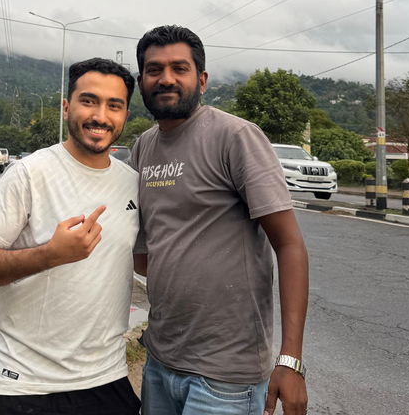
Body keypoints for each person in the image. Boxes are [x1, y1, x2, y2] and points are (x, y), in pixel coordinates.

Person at [130, 25, 309, 415]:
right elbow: (146, 251)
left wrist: (290, 361)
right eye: (154, 69)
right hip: (160, 361)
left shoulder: (235, 137)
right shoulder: (143, 148)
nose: (166, 79)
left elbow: (289, 245)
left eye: (180, 68)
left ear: (203, 79)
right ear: (141, 81)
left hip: (226, 377)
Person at [0, 58, 141, 415]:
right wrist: (50, 254)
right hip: (24, 382)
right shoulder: (29, 173)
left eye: (114, 105)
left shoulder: (131, 183)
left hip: (107, 377)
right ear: (67, 107)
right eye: (89, 101)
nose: (100, 115)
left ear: (125, 116)